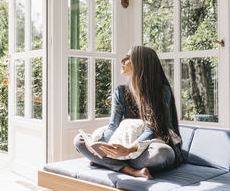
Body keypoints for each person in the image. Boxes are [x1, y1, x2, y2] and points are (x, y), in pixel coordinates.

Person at [73, 46, 183, 179]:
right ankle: (130, 170)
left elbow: (151, 130)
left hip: (149, 145)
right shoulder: (120, 91)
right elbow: (113, 126)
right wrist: (102, 147)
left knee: (162, 153)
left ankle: (109, 163)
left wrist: (128, 150)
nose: (122, 61)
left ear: (141, 63)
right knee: (79, 141)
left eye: (128, 58)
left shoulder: (161, 91)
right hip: (126, 149)